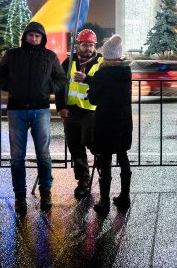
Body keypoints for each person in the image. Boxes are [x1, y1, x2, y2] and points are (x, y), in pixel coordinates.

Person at [0, 22, 67, 213]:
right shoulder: (12, 55)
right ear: (25, 37)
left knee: (44, 155)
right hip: (17, 110)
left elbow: (61, 79)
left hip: (41, 110)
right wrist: (10, 85)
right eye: (31, 35)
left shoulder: (49, 56)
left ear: (42, 38)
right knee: (17, 157)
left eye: (37, 36)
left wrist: (49, 88)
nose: (34, 39)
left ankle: (45, 191)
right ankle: (19, 196)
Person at [87, 34, 133, 216]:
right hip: (123, 118)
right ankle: (125, 196)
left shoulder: (101, 73)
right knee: (123, 155)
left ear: (105, 55)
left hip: (105, 119)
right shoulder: (126, 72)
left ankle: (104, 201)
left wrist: (92, 89)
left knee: (105, 157)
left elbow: (94, 99)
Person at [55, 29, 103, 199]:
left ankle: (104, 178)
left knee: (95, 145)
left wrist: (87, 79)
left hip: (91, 112)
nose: (88, 48)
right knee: (75, 148)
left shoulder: (101, 62)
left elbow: (104, 85)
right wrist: (60, 107)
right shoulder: (69, 62)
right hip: (71, 112)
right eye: (85, 45)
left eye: (91, 45)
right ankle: (83, 180)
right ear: (78, 45)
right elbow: (59, 85)